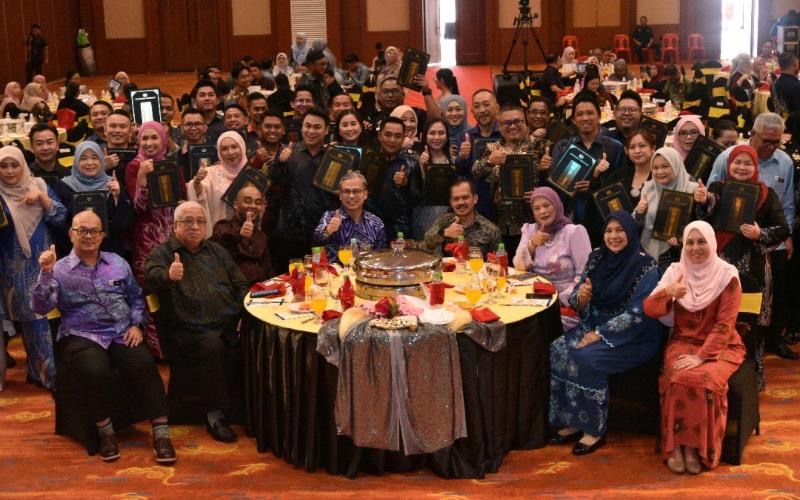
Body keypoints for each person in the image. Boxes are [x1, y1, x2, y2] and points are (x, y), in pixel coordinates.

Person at [31, 211, 176, 464]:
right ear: (71, 234)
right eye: (82, 230)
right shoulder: (59, 269)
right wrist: (45, 273)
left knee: (143, 361)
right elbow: (40, 307)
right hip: (80, 334)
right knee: (95, 369)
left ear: (102, 235)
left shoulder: (117, 262)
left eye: (94, 231)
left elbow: (136, 297)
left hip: (121, 331)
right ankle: (106, 432)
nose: (88, 236)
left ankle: (161, 433)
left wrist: (136, 324)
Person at [548, 211, 662, 455]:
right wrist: (582, 298)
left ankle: (594, 429)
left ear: (631, 232)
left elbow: (638, 314)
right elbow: (579, 293)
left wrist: (600, 334)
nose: (613, 236)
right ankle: (572, 420)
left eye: (620, 230)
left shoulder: (647, 268)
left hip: (633, 337)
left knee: (588, 357)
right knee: (558, 348)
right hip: (594, 326)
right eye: (608, 231)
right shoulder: (597, 257)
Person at [644, 221, 744, 474]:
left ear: (712, 243)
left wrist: (702, 356)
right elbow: (649, 308)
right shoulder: (676, 271)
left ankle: (695, 448)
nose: (695, 248)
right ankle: (676, 447)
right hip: (682, 342)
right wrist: (669, 292)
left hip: (721, 346)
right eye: (689, 242)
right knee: (677, 377)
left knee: (704, 380)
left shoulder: (727, 275)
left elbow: (725, 324)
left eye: (701, 242)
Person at [145, 201, 248, 443]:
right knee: (212, 346)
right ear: (175, 226)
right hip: (187, 329)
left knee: (257, 337)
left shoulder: (217, 251)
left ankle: (248, 407)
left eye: (200, 221)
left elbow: (240, 284)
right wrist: (168, 275)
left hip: (226, 323)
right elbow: (151, 278)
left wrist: (243, 314)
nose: (195, 226)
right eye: (188, 221)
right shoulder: (163, 253)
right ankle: (215, 415)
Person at [697, 145, 790, 379]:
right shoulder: (717, 188)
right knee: (715, 318)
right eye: (737, 162)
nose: (741, 167)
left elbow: (783, 229)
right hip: (717, 267)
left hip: (753, 271)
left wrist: (760, 234)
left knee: (750, 323)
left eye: (748, 163)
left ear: (756, 166)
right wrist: (702, 200)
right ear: (728, 164)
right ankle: (715, 374)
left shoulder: (766, 194)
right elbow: (703, 216)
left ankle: (750, 378)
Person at [707, 113, 796, 359]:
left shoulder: (785, 162)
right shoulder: (728, 156)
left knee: (766, 295)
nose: (772, 146)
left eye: (777, 142)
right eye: (767, 141)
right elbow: (713, 194)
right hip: (727, 243)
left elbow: (787, 204)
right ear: (753, 134)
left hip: (765, 242)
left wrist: (785, 236)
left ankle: (769, 342)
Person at [0, 145, 66, 391]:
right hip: (12, 265)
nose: (9, 171)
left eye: (14, 165)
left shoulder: (38, 184)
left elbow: (60, 217)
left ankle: (42, 371)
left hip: (44, 261)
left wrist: (42, 198)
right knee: (31, 320)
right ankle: (45, 373)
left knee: (47, 317)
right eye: (3, 166)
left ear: (23, 165)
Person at [543, 91, 627, 246]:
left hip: (603, 222)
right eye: (580, 114)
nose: (585, 118)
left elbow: (622, 185)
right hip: (569, 220)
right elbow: (554, 186)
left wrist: (595, 184)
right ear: (574, 119)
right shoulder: (563, 146)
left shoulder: (614, 147)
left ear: (599, 116)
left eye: (590, 113)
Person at [513, 186, 591, 330]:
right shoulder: (529, 230)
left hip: (565, 304)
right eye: (537, 208)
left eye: (547, 205)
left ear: (556, 205)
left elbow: (585, 274)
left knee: (536, 328)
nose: (542, 211)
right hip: (534, 298)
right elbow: (519, 267)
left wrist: (560, 300)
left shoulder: (573, 232)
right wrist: (532, 244)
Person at [271, 109, 336, 272]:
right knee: (291, 279)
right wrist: (281, 162)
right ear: (301, 127)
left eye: (317, 127)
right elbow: (274, 184)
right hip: (290, 233)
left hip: (322, 231)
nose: (311, 131)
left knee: (320, 276)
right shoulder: (288, 152)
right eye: (307, 126)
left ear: (326, 130)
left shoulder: (333, 157)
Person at [472, 104, 543, 250]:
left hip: (534, 222)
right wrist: (490, 161)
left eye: (517, 121)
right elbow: (475, 172)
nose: (512, 126)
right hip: (501, 224)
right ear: (499, 125)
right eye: (507, 123)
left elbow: (555, 183)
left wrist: (541, 193)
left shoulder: (540, 146)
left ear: (525, 121)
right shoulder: (492, 148)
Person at [54, 141, 133, 257]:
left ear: (101, 160)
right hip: (74, 252)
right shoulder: (64, 186)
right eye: (83, 158)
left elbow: (124, 223)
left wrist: (118, 197)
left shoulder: (112, 184)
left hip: (109, 251)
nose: (90, 163)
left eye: (95, 158)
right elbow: (58, 221)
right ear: (76, 161)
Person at [634, 147, 701, 262]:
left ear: (676, 165)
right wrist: (639, 212)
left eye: (665, 166)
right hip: (648, 252)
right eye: (655, 168)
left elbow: (701, 224)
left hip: (682, 256)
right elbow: (637, 224)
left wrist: (681, 241)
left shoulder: (693, 190)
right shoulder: (648, 189)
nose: (659, 172)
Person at [314, 171, 387, 264]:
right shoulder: (329, 217)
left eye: (356, 191)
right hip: (335, 272)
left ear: (365, 194)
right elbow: (315, 243)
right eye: (346, 191)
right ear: (340, 195)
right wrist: (328, 231)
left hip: (365, 271)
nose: (351, 196)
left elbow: (381, 257)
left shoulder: (376, 223)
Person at [188, 131, 248, 236]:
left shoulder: (252, 174)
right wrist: (197, 182)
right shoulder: (210, 173)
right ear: (219, 152)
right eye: (224, 149)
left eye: (234, 147)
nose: (230, 152)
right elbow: (199, 193)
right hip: (219, 235)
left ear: (242, 147)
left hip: (247, 234)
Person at [211, 184, 273, 284]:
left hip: (263, 289)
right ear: (236, 204)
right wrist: (240, 233)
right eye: (248, 201)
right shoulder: (223, 226)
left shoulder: (262, 236)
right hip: (235, 289)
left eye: (258, 202)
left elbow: (268, 268)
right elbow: (222, 238)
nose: (253, 206)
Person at [422, 179, 500, 257]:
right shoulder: (444, 221)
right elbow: (426, 244)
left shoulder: (491, 230)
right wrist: (444, 233)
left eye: (465, 197)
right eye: (456, 199)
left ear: (475, 199)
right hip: (449, 264)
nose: (461, 202)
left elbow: (499, 260)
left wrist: (494, 260)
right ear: (451, 203)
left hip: (477, 264)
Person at [376, 117, 423, 237]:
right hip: (371, 227)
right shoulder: (369, 158)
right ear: (379, 135)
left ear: (403, 138)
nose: (392, 140)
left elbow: (418, 200)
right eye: (388, 135)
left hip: (400, 230)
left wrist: (406, 184)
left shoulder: (411, 163)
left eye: (397, 136)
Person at [414, 119, 455, 239]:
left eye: (441, 133)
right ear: (425, 136)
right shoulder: (416, 159)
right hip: (424, 214)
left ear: (447, 136)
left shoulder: (452, 160)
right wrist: (421, 166)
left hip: (448, 214)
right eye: (432, 133)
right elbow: (415, 191)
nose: (437, 137)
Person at [607, 129, 655, 207]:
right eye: (632, 147)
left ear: (653, 148)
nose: (637, 151)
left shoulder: (660, 176)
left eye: (642, 146)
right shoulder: (617, 176)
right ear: (626, 151)